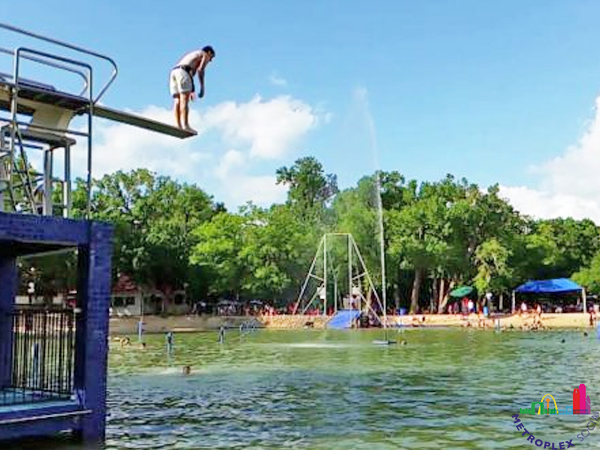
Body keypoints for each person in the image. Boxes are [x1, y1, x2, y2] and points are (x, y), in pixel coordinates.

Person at [169, 46, 216, 133]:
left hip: (174, 72)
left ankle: (178, 125)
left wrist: (192, 90)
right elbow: (200, 70)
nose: (210, 61)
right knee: (184, 100)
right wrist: (202, 87)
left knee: (177, 100)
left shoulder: (194, 54)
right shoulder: (204, 54)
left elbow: (190, 74)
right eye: (211, 57)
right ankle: (185, 125)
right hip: (183, 72)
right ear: (209, 52)